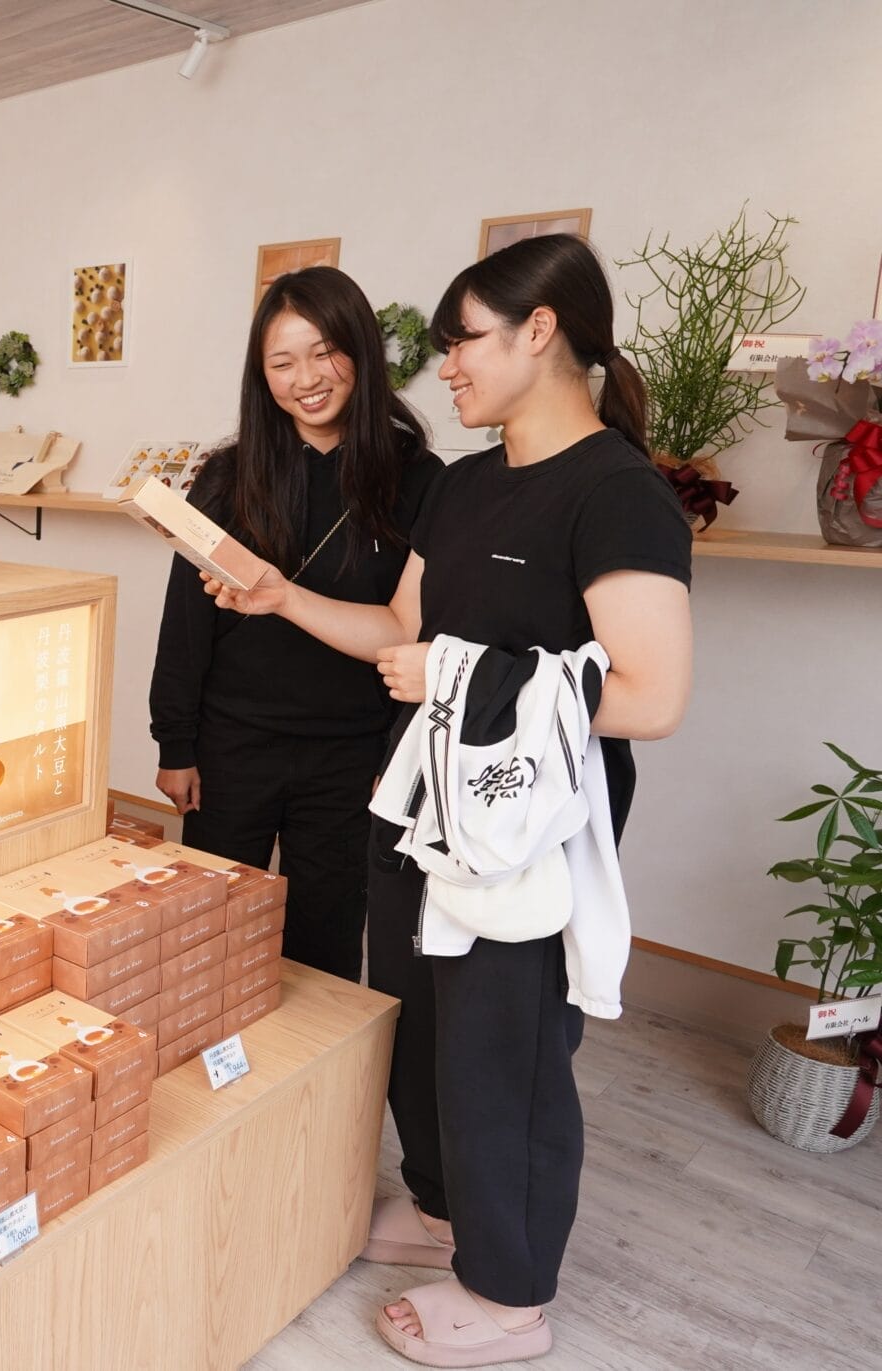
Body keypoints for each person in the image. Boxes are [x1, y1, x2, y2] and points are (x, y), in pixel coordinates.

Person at [203, 234, 693, 1367]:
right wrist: (280, 597)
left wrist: (463, 676)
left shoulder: (618, 494)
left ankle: (511, 1294)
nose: (446, 368)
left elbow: (651, 695)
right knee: (418, 1022)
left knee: (502, 1050)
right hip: (418, 800)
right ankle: (438, 1209)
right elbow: (399, 629)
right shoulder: (467, 486)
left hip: (524, 823)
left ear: (540, 332)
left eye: (464, 341)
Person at [148, 266, 440, 982]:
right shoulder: (229, 474)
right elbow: (185, 620)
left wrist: (394, 756)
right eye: (282, 362)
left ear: (361, 351)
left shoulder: (418, 478)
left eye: (324, 352)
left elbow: (416, 638)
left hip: (350, 757)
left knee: (326, 943)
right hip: (231, 747)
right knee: (206, 934)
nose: (305, 379)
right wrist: (175, 743)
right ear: (261, 374)